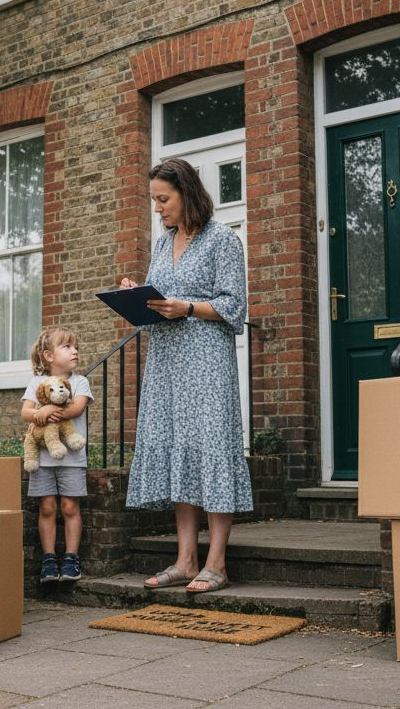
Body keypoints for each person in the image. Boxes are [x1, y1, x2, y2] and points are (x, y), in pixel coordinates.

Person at [120, 157, 249, 595]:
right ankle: (185, 559)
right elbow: (162, 299)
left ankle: (216, 564)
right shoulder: (162, 243)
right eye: (153, 200)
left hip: (207, 360)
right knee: (179, 450)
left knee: (211, 448)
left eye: (163, 199)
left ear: (186, 193)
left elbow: (234, 307)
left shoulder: (223, 240)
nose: (157, 208)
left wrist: (188, 307)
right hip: (167, 361)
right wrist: (138, 298)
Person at [20, 326, 94, 584]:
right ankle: (49, 559)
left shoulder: (80, 382)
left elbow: (75, 408)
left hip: (72, 460)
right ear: (49, 356)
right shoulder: (36, 383)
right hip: (42, 460)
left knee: (70, 506)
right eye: (67, 347)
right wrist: (37, 414)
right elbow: (26, 412)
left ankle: (71, 558)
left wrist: (46, 410)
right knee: (47, 507)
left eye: (76, 347)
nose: (74, 351)